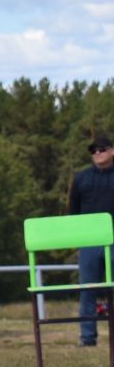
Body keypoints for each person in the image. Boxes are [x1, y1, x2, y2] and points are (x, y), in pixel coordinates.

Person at [67, 135, 114, 347]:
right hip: (89, 243)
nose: (97, 153)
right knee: (88, 290)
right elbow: (74, 211)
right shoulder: (81, 178)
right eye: (93, 150)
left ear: (112, 151)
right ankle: (88, 337)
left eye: (102, 149)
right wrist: (79, 239)